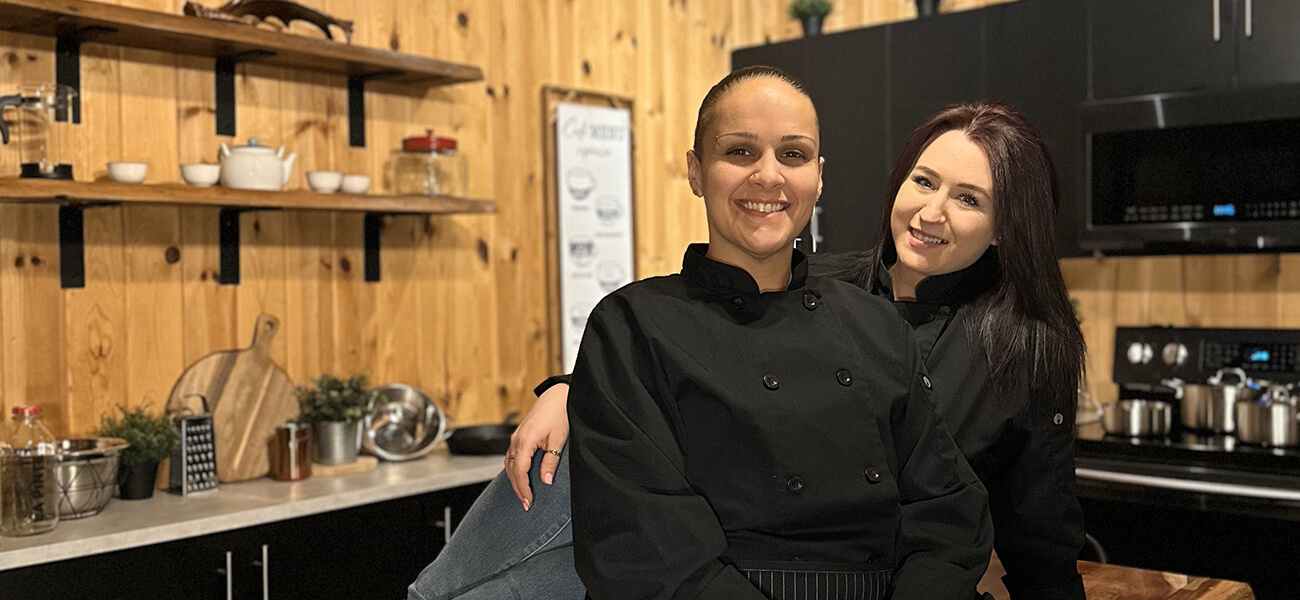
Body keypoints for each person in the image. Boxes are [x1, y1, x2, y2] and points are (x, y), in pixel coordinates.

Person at [410, 86, 1085, 599]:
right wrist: (571, 389)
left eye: (970, 199)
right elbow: (681, 370)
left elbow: (1026, 523)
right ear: (697, 172)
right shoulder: (806, 279)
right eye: (925, 182)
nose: (933, 211)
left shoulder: (1024, 347)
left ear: (1005, 227)